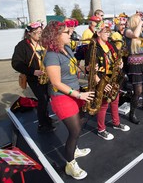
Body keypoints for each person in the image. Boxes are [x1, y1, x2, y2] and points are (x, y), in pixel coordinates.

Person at [41, 21, 94, 180]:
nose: (70, 33)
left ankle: (74, 148)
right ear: (56, 36)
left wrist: (87, 71)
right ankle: (70, 164)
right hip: (62, 97)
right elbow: (56, 83)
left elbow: (73, 70)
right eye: (66, 32)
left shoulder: (67, 49)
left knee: (84, 118)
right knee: (75, 130)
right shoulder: (51, 55)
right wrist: (79, 95)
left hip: (75, 92)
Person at [85, 20, 130, 140]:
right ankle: (101, 129)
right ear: (98, 33)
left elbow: (117, 58)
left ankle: (116, 123)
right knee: (103, 104)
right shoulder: (93, 47)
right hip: (102, 79)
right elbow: (91, 70)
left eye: (109, 31)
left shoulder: (110, 44)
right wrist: (101, 83)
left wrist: (120, 63)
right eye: (105, 32)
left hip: (113, 77)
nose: (108, 34)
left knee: (115, 100)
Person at [11, 21, 56, 133]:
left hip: (47, 75)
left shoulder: (43, 42)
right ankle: (42, 124)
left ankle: (46, 118)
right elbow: (16, 63)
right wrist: (32, 71)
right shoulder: (22, 46)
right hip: (34, 78)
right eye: (36, 33)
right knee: (42, 99)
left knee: (47, 99)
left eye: (41, 32)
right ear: (29, 33)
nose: (39, 35)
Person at [124, 13, 143, 124]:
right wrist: (142, 23)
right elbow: (135, 35)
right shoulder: (127, 31)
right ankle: (132, 113)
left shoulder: (141, 33)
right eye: (139, 20)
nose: (141, 21)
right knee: (138, 90)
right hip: (134, 64)